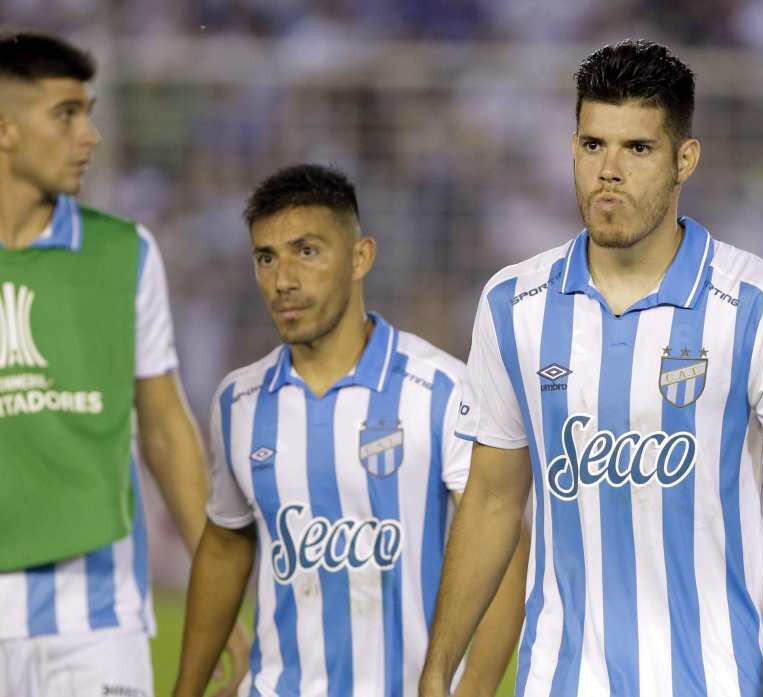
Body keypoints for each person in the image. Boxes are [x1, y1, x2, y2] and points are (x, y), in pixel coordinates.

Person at [419, 39, 763, 697]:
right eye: (594, 144)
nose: (610, 170)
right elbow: (490, 501)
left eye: (638, 148)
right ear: (572, 148)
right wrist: (438, 671)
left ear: (685, 158)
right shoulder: (514, 304)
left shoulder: (759, 303)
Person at [173, 164, 527, 697]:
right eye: (266, 258)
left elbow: (504, 549)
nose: (283, 279)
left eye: (306, 251)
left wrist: (471, 688)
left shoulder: (441, 390)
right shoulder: (239, 401)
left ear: (361, 257)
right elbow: (226, 545)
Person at [0, 31, 248, 697]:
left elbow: (165, 427)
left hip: (97, 624)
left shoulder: (124, 254)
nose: (91, 136)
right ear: (6, 130)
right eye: (66, 115)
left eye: (90, 112)